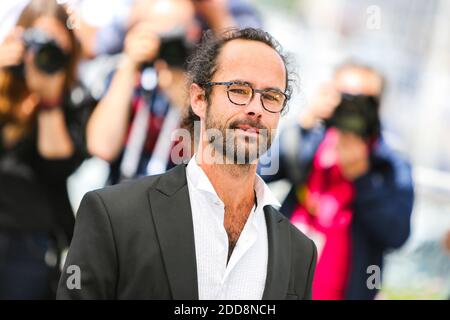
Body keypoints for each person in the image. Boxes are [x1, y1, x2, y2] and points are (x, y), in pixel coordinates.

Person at [57, 27, 317, 300]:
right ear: (199, 99)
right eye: (239, 90)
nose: (256, 108)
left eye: (271, 97)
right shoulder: (113, 217)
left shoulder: (300, 252)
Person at [261, 63, 414, 300]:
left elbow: (397, 234)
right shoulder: (309, 140)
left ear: (378, 106)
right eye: (344, 97)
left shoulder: (390, 164)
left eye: (363, 100)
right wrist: (302, 126)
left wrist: (363, 179)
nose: (352, 107)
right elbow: (256, 172)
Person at [0, 0, 94, 299]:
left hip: (31, 240)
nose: (43, 52)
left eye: (54, 46)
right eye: (36, 40)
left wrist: (49, 99)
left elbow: (57, 164)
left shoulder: (74, 99)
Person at [86, 0, 201, 184]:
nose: (168, 41)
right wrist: (129, 65)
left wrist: (182, 96)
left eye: (178, 30)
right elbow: (102, 147)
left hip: (180, 200)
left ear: (194, 33)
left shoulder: (203, 83)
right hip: (124, 196)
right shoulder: (125, 75)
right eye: (160, 32)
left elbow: (211, 159)